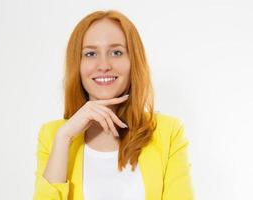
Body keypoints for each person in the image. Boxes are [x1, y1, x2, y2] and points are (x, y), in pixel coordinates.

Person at [33, 10, 194, 200]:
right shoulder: (54, 136)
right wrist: (64, 138)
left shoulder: (168, 132)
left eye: (116, 52)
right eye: (90, 53)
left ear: (133, 61)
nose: (103, 65)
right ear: (77, 64)